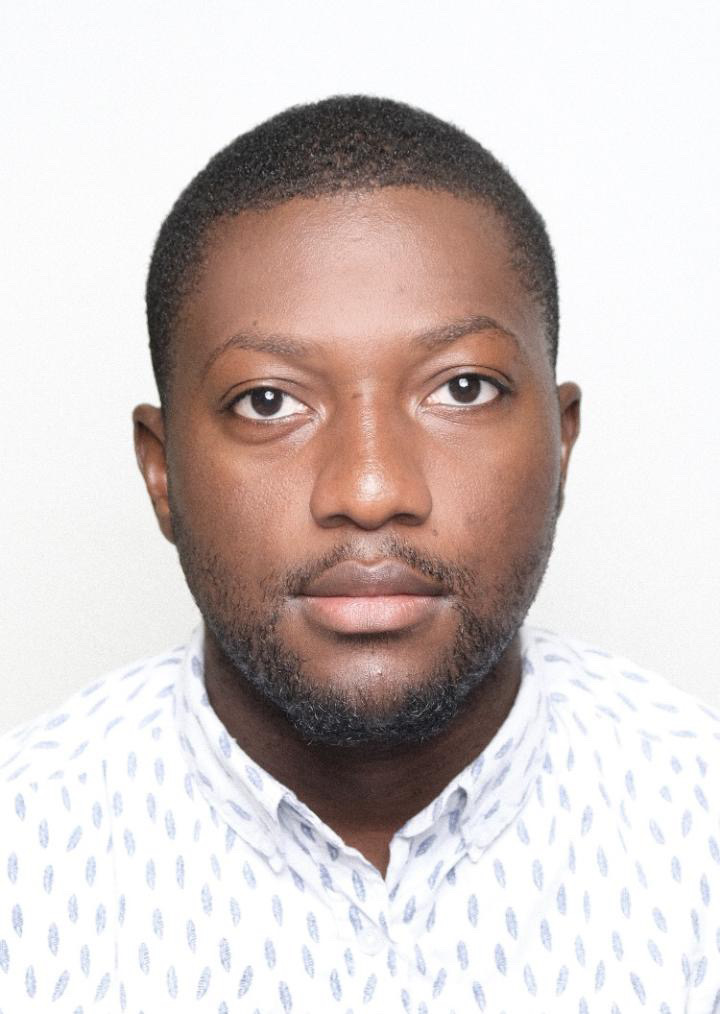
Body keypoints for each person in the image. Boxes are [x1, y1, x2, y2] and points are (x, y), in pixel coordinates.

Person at [1, 95, 717, 1014]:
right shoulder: (23, 864)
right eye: (268, 401)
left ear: (562, 444)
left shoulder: (702, 827)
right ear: (162, 471)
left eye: (463, 388)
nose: (371, 489)